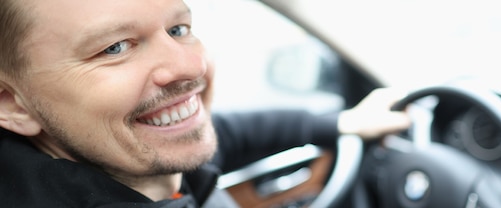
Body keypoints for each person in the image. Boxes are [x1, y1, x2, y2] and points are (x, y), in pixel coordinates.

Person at [0, 0, 411, 207]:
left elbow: (228, 132)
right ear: (12, 104)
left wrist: (339, 123)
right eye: (115, 48)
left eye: (178, 29)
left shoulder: (131, 157)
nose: (190, 64)